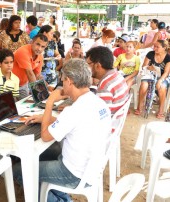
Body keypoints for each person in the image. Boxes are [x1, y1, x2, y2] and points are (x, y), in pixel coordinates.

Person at [13, 58, 112, 201]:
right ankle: (61, 196)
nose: (62, 84)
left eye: (63, 80)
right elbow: (76, 124)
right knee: (45, 153)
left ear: (70, 81)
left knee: (20, 171)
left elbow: (46, 136)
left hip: (74, 173)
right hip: (92, 168)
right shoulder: (98, 103)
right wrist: (46, 118)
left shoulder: (74, 110)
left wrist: (49, 103)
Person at [86, 46, 129, 115]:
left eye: (88, 64)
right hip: (118, 116)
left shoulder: (104, 86)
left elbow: (102, 115)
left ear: (97, 66)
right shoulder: (117, 74)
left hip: (111, 121)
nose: (86, 67)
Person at [135, 40, 170, 119]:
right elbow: (144, 66)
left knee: (162, 86)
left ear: (164, 48)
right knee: (144, 85)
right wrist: (148, 67)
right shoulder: (150, 54)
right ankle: (139, 106)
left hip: (163, 76)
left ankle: (161, 110)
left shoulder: (168, 57)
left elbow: (166, 72)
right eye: (154, 46)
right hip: (150, 74)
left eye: (157, 47)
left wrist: (160, 80)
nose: (155, 48)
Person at [12, 34, 48, 99]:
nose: (39, 49)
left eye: (42, 47)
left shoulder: (40, 56)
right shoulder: (23, 51)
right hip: (10, 84)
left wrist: (46, 88)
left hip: (23, 84)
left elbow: (37, 75)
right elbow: (30, 73)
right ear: (32, 42)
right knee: (13, 108)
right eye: (37, 44)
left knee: (25, 106)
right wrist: (39, 95)